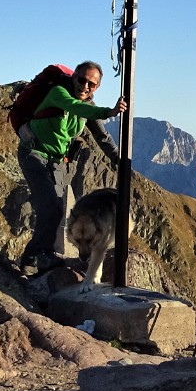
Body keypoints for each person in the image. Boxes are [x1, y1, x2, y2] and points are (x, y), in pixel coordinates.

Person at [17, 61, 126, 272]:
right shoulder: (58, 93)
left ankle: (45, 254)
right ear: (73, 77)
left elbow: (102, 138)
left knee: (58, 208)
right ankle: (31, 259)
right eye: (81, 80)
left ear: (97, 87)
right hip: (34, 153)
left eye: (91, 84)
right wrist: (110, 112)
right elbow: (73, 106)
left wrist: (121, 161)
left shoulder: (89, 109)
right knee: (49, 206)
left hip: (56, 160)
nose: (85, 86)